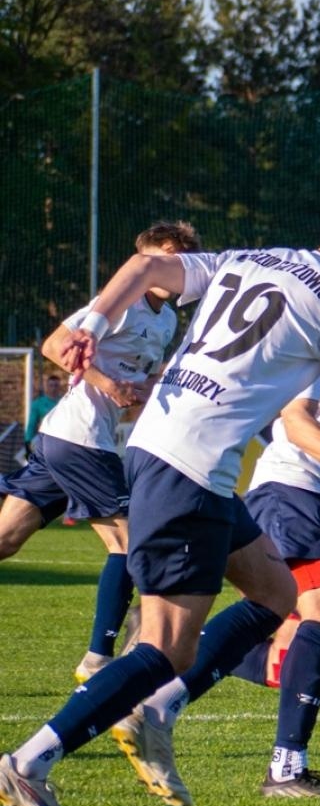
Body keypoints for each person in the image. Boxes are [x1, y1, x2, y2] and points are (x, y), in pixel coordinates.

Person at [0, 178, 320, 806]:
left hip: (177, 454)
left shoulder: (253, 259)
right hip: (185, 467)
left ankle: (156, 709)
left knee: (282, 597)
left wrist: (87, 320)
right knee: (168, 646)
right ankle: (30, 762)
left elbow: (146, 264)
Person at [112, 184, 320, 806]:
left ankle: (163, 686)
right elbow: (298, 420)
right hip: (294, 481)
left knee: (281, 609)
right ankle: (279, 764)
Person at [0, 222, 202, 683]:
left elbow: (139, 378)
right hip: (80, 439)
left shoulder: (167, 320)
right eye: (174, 261)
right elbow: (55, 346)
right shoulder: (120, 304)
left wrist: (152, 388)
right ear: (156, 257)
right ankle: (98, 659)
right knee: (132, 543)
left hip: (68, 439)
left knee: (6, 539)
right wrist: (108, 384)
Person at [23, 374, 64, 455]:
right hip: (44, 438)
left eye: (56, 385)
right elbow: (32, 423)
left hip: (62, 439)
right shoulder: (39, 403)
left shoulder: (64, 402)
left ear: (59, 387)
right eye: (51, 385)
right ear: (47, 387)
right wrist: (28, 440)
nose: (53, 388)